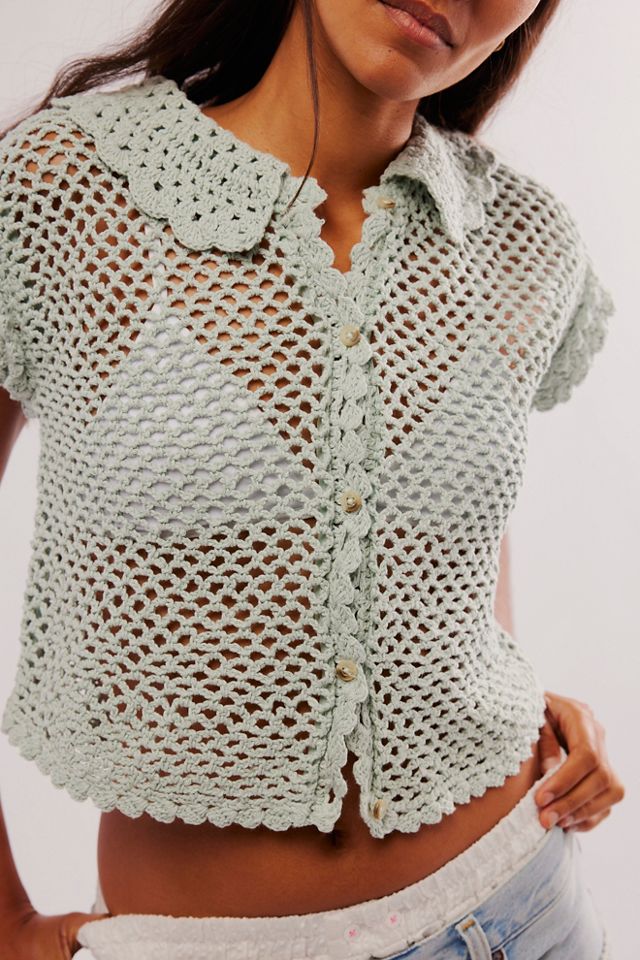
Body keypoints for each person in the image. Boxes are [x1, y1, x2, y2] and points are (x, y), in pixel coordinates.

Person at [0, 1, 626, 958]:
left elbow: (441, 531)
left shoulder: (521, 238)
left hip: (522, 904)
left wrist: (518, 698)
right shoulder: (67, 192)